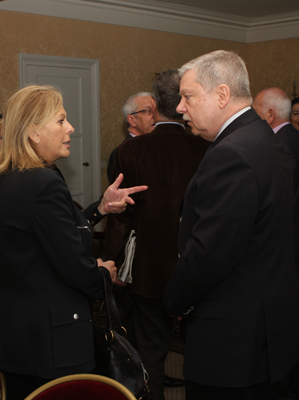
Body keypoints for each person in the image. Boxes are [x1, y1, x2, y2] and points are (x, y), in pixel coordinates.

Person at [0, 85, 147, 400]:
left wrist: (100, 208)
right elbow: (76, 270)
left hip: (12, 329)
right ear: (33, 132)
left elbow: (41, 237)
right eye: (60, 120)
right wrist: (103, 273)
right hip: (50, 338)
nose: (70, 128)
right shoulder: (43, 183)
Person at [163, 50, 299, 400]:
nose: (180, 107)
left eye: (188, 96)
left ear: (222, 95)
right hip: (268, 329)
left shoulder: (231, 153)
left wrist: (171, 301)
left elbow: (209, 255)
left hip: (235, 341)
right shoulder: (264, 139)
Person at [105, 69, 208, 400]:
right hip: (197, 264)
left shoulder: (130, 151)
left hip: (149, 268)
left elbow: (123, 216)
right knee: (202, 349)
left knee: (150, 350)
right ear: (179, 103)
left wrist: (113, 260)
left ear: (155, 108)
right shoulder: (206, 147)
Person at [253, 87, 299, 400]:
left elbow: (280, 204)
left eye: (255, 111)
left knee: (293, 320)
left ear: (268, 114)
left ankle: (294, 381)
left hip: (289, 247)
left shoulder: (282, 145)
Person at [106, 92, 156, 184]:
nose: (156, 116)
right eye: (149, 111)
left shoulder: (161, 147)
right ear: (132, 120)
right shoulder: (121, 154)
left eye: (157, 111)